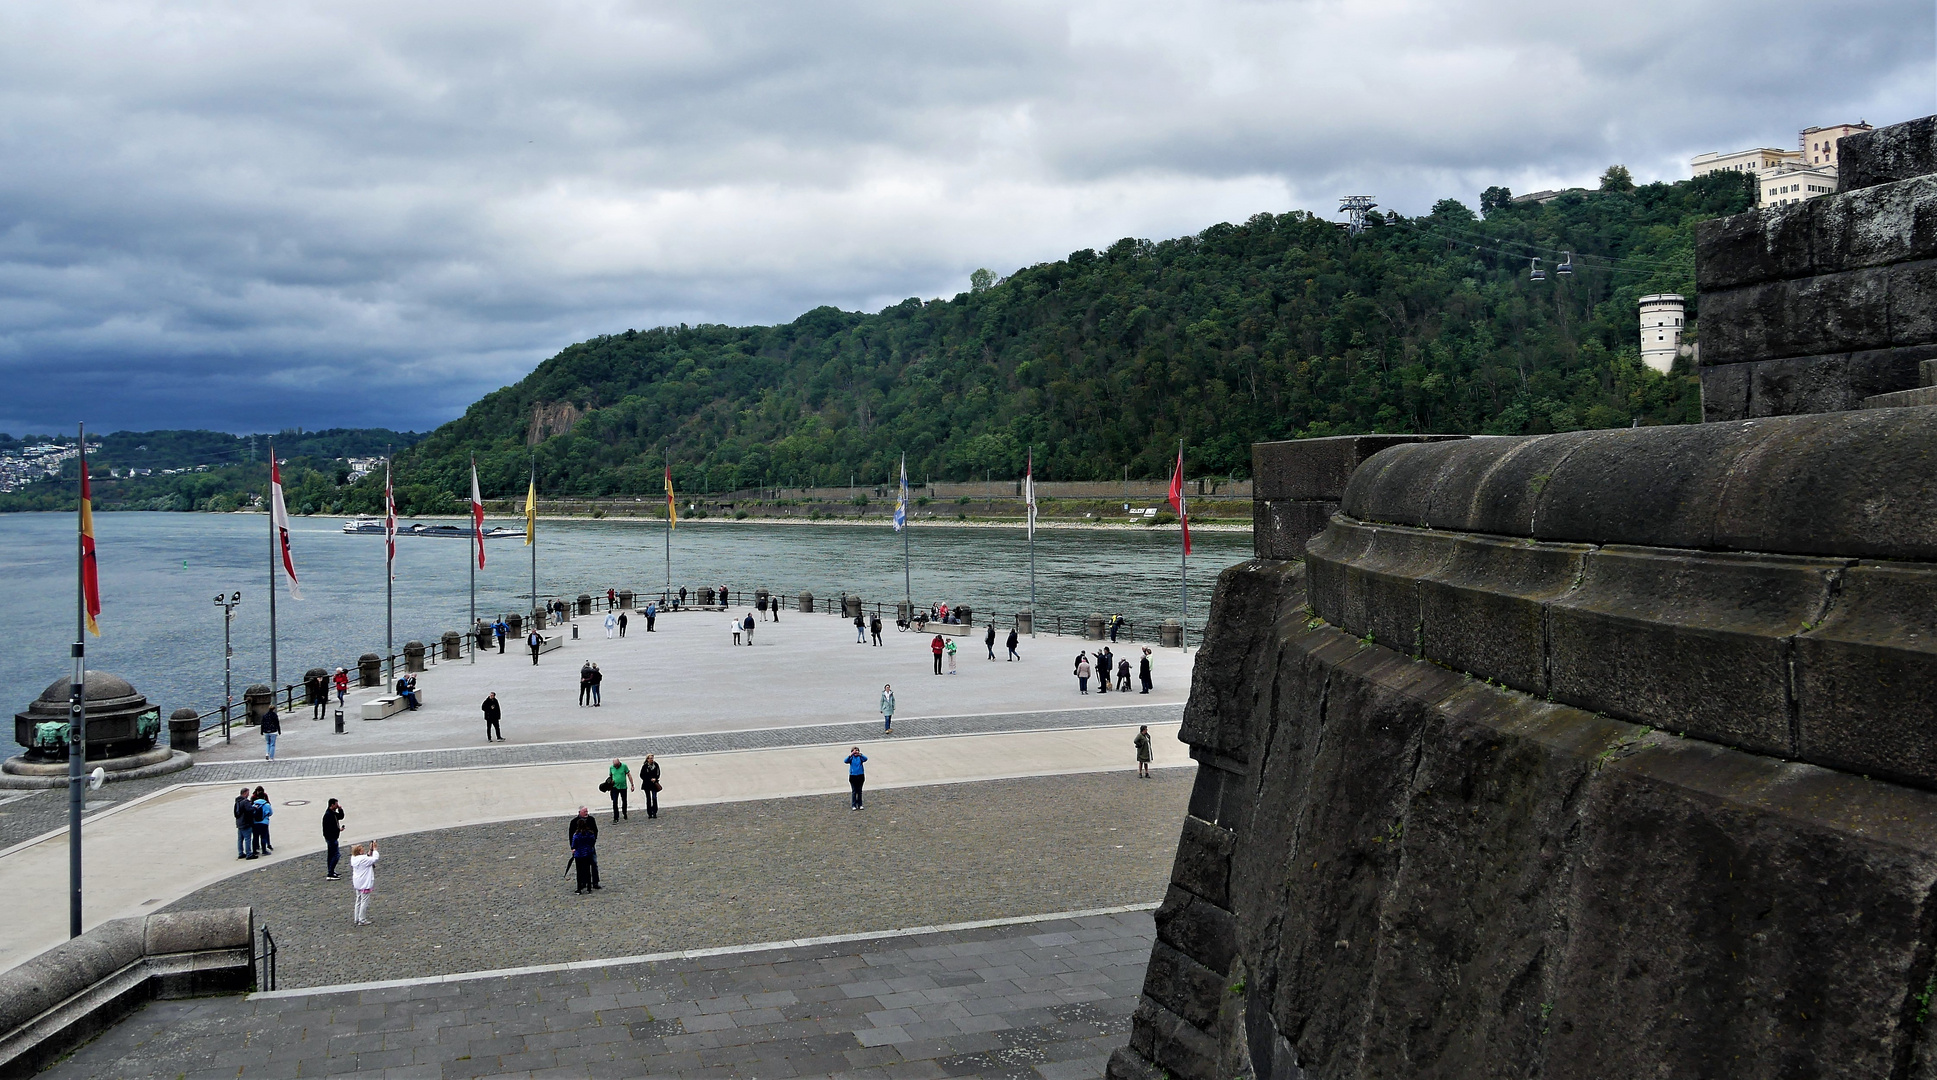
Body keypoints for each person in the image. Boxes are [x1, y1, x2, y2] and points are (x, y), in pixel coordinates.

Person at [569, 807, 600, 892]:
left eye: (587, 811)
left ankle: (595, 882)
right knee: (582, 867)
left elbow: (595, 832)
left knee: (594, 864)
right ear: (580, 812)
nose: (586, 813)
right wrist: (573, 847)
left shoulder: (591, 820)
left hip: (589, 848)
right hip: (580, 850)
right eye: (585, 811)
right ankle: (583, 883)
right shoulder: (574, 822)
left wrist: (592, 844)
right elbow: (571, 836)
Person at [350, 842, 380, 924]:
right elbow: (375, 859)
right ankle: (362, 919)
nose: (363, 849)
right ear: (359, 851)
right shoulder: (363, 859)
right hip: (364, 883)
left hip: (357, 882)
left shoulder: (354, 858)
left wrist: (371, 850)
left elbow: (367, 857)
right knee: (364, 901)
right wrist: (375, 849)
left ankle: (357, 918)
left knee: (358, 900)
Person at [322, 798, 345, 878]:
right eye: (336, 804)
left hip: (332, 837)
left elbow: (341, 816)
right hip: (331, 838)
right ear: (332, 805)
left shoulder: (333, 813)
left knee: (331, 855)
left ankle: (331, 871)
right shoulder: (328, 815)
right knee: (336, 855)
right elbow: (329, 828)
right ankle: (330, 873)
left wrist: (340, 809)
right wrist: (338, 829)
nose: (337, 805)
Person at [234, 787, 256, 859]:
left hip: (239, 823)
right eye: (248, 793)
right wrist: (255, 808)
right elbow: (249, 810)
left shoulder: (237, 801)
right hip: (246, 823)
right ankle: (249, 854)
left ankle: (240, 853)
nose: (248, 794)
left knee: (240, 839)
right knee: (247, 839)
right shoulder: (245, 801)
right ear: (245, 793)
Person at [251, 786, 274, 854]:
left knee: (255, 836)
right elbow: (271, 813)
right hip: (264, 822)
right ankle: (264, 850)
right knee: (264, 835)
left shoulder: (254, 804)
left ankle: (255, 850)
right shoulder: (266, 805)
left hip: (255, 822)